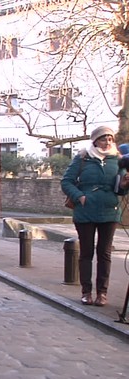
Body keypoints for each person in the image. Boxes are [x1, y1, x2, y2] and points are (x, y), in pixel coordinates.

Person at [61, 126, 129, 307]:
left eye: (110, 139)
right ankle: (86, 292)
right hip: (86, 211)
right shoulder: (83, 158)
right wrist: (80, 197)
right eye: (103, 139)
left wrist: (124, 184)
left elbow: (121, 189)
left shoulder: (118, 159)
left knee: (104, 253)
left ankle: (102, 293)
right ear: (95, 141)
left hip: (110, 210)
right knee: (86, 252)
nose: (107, 143)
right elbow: (66, 181)